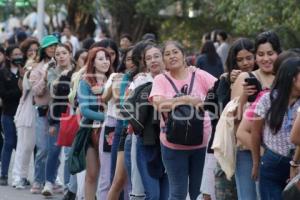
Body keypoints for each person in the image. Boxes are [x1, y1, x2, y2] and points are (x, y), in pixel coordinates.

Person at [150, 41, 216, 200]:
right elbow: (159, 105)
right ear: (164, 61)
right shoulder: (160, 80)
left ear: (184, 55)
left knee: (198, 192)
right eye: (167, 54)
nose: (172, 56)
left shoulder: (199, 75)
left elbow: (220, 88)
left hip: (202, 143)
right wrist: (187, 99)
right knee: (178, 193)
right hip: (173, 145)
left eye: (175, 52)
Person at [232, 31, 281, 200]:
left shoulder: (285, 79)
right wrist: (245, 96)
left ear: (278, 54)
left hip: (276, 154)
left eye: (270, 53)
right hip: (246, 151)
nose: (265, 58)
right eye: (260, 54)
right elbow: (233, 118)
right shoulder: (246, 77)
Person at [251, 57, 300, 200]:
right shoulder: (268, 98)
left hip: (297, 163)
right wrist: (255, 162)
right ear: (291, 77)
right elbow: (255, 132)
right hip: (273, 161)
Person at [77, 47, 112, 200]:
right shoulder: (85, 82)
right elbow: (84, 110)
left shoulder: (114, 79)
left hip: (111, 132)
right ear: (92, 62)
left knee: (109, 174)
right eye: (100, 58)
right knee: (92, 174)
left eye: (107, 58)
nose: (105, 62)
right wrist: (108, 117)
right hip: (91, 132)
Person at [135, 44, 169, 200]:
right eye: (148, 58)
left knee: (167, 196)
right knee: (153, 195)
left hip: (172, 142)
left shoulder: (173, 79)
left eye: (156, 56)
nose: (153, 60)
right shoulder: (141, 81)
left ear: (163, 57)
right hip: (147, 142)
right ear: (145, 63)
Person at [29, 35, 60, 194]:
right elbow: (36, 91)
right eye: (50, 46)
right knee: (42, 148)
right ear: (44, 49)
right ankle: (38, 179)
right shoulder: (37, 68)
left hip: (59, 112)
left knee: (55, 149)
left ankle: (52, 180)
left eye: (55, 46)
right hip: (42, 112)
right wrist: (46, 74)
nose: (53, 49)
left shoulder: (62, 65)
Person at [0, 45, 23, 186]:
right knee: (9, 143)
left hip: (24, 113)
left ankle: (22, 174)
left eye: (20, 53)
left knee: (26, 146)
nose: (18, 56)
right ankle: (3, 174)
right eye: (15, 54)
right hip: (8, 113)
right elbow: (4, 95)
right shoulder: (3, 73)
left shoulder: (26, 70)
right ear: (8, 57)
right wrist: (19, 91)